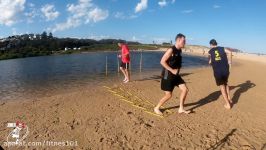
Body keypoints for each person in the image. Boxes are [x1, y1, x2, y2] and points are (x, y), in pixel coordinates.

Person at [154, 33, 191, 115]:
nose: (185, 43)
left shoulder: (179, 50)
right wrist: (172, 70)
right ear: (178, 40)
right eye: (183, 41)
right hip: (168, 75)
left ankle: (181, 108)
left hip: (176, 75)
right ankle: (156, 108)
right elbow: (162, 61)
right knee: (168, 95)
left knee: (185, 89)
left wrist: (176, 71)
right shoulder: (171, 50)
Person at [208, 39, 233, 109]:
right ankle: (229, 99)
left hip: (218, 71)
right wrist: (230, 62)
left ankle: (228, 104)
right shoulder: (222, 48)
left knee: (222, 87)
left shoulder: (210, 51)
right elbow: (230, 52)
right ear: (216, 43)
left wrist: (211, 61)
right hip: (225, 70)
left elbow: (209, 62)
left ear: (211, 45)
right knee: (226, 83)